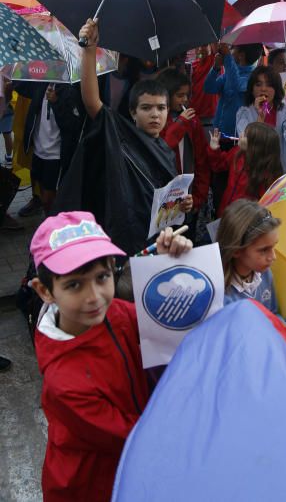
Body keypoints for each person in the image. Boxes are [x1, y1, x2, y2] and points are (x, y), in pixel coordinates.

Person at [30, 211, 192, 502]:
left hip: (132, 462)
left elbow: (170, 328)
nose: (94, 296)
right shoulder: (63, 383)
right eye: (74, 285)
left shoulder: (117, 312)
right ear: (44, 291)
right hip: (91, 485)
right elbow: (133, 435)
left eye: (102, 277)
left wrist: (167, 267)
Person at [57, 19, 192, 256]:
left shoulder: (165, 151)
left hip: (154, 244)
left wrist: (182, 205)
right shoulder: (119, 132)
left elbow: (163, 203)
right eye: (147, 108)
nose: (155, 114)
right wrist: (89, 50)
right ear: (132, 112)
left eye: (161, 108)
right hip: (121, 237)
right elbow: (91, 101)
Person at [217, 200, 286, 339]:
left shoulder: (265, 275)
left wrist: (284, 326)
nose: (273, 257)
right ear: (236, 250)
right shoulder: (219, 294)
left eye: (274, 246)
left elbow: (272, 313)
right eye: (264, 250)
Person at [15, 82, 85, 216]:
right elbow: (22, 87)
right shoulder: (40, 84)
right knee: (42, 193)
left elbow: (73, 125)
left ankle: (53, 225)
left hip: (55, 155)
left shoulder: (70, 90)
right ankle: (48, 220)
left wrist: (56, 102)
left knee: (49, 198)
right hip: (38, 150)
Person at [155, 67, 210, 221]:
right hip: (165, 197)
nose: (185, 100)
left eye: (187, 95)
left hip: (188, 196)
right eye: (180, 96)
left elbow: (201, 159)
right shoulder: (158, 120)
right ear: (166, 95)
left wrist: (199, 195)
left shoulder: (192, 121)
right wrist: (180, 124)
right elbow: (162, 149)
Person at [208, 123, 283, 217]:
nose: (241, 136)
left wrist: (248, 156)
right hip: (226, 212)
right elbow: (219, 165)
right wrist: (214, 150)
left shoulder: (267, 173)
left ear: (256, 146)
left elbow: (264, 203)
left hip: (245, 219)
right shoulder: (237, 152)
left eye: (246, 135)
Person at [236, 65, 286, 172]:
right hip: (254, 173)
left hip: (279, 173)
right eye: (258, 84)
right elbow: (249, 146)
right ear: (252, 89)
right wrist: (261, 117)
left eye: (269, 85)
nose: (263, 89)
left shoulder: (284, 110)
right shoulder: (244, 113)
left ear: (276, 89)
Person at [203, 43, 262, 137]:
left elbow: (236, 85)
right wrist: (215, 68)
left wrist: (227, 56)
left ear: (241, 55)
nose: (230, 52)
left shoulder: (254, 78)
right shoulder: (229, 74)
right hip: (219, 135)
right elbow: (208, 88)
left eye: (232, 49)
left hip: (238, 137)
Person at [0, 71, 13, 168]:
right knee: (7, 133)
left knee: (7, 134)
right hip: (9, 107)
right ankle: (9, 157)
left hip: (3, 108)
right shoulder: (7, 72)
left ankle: (9, 157)